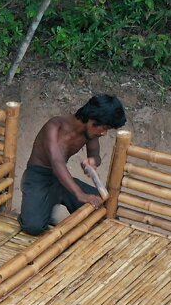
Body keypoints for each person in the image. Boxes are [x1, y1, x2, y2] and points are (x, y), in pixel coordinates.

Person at [19, 94, 127, 235]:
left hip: (61, 181)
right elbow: (57, 163)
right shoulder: (55, 127)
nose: (104, 133)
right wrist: (80, 194)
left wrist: (93, 161)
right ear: (91, 120)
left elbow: (95, 155)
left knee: (106, 206)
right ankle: (39, 207)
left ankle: (50, 202)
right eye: (104, 127)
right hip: (38, 178)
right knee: (33, 226)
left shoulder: (91, 133)